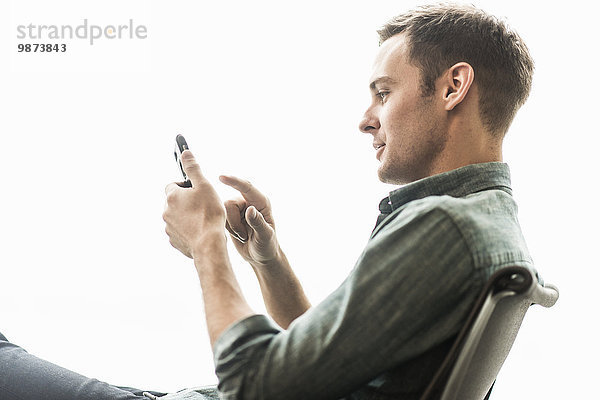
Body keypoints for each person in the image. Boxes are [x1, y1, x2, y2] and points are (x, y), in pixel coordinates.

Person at [0, 3, 537, 399]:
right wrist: (267, 260)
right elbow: (325, 358)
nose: (365, 118)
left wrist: (206, 238)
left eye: (383, 92)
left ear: (452, 88)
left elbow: (257, 386)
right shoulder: (485, 221)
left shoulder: (444, 226)